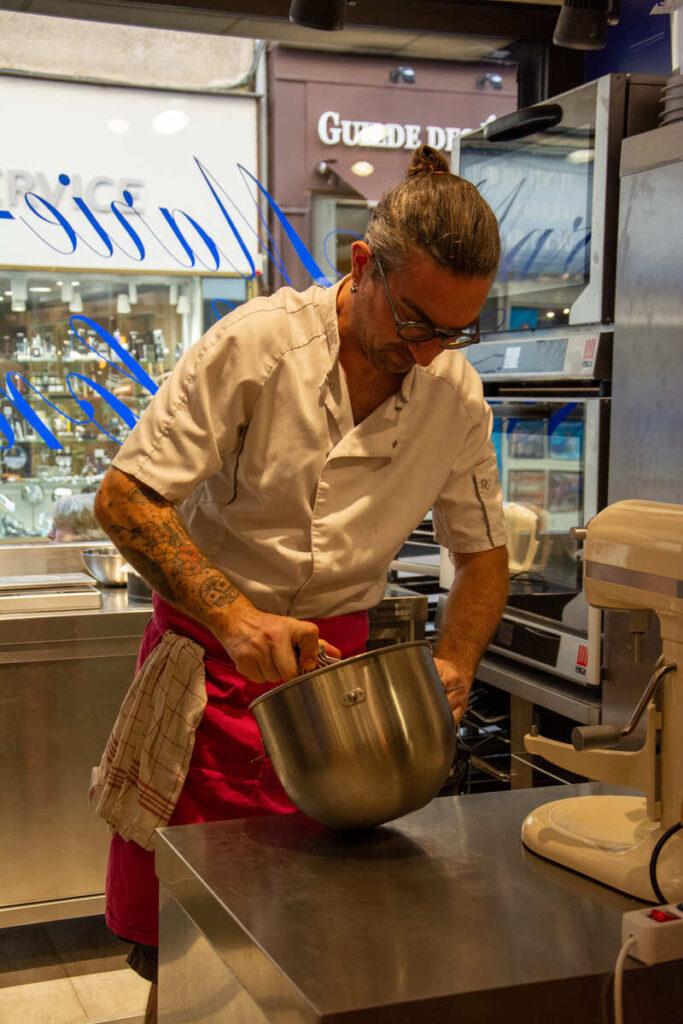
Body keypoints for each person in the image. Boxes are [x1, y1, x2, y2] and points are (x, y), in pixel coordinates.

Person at [94, 144, 509, 1022]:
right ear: (362, 265)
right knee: (190, 951)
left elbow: (481, 555)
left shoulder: (454, 394)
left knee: (321, 943)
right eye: (415, 322)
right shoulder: (256, 346)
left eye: (454, 332)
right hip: (209, 680)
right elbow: (126, 498)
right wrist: (236, 617)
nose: (428, 353)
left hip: (342, 702)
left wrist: (456, 662)